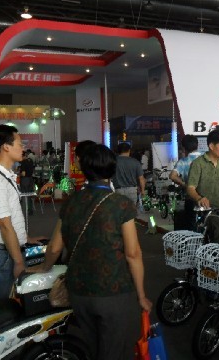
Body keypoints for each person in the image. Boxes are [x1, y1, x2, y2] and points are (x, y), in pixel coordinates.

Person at [34, 144, 152, 360]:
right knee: (113, 350)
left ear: (85, 170)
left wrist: (43, 267)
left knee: (91, 345)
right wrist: (142, 295)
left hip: (79, 290)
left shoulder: (71, 202)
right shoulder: (121, 204)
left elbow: (55, 247)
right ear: (112, 170)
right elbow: (133, 254)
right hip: (113, 290)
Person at [0, 125, 40, 304]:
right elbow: (4, 225)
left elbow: (11, 217)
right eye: (20, 144)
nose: (23, 148)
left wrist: (25, 238)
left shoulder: (4, 176)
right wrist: (18, 262)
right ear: (6, 147)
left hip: (6, 252)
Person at [187, 128, 219, 244]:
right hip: (207, 211)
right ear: (211, 146)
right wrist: (199, 198)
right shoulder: (198, 164)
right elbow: (190, 188)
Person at [170, 134, 202, 230]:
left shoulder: (183, 161)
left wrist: (185, 185)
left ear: (183, 148)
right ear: (197, 145)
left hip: (191, 198)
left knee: (191, 224)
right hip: (208, 197)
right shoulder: (207, 159)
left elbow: (172, 176)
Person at [19, 150, 36, 215]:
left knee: (24, 195)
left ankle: (25, 210)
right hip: (30, 179)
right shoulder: (30, 160)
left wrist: (19, 174)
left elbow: (23, 173)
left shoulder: (23, 162)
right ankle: (30, 210)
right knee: (29, 195)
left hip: (25, 180)